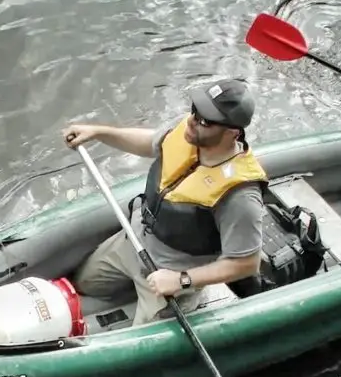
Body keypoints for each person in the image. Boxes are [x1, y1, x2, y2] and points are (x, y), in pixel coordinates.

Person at [62, 78, 268, 326]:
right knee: (83, 283)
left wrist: (182, 280)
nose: (192, 120)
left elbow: (246, 264)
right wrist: (99, 133)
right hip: (135, 241)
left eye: (204, 120)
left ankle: (190, 301)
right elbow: (150, 142)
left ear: (232, 132)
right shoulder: (189, 131)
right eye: (194, 109)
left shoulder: (240, 195)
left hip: (173, 274)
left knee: (136, 345)